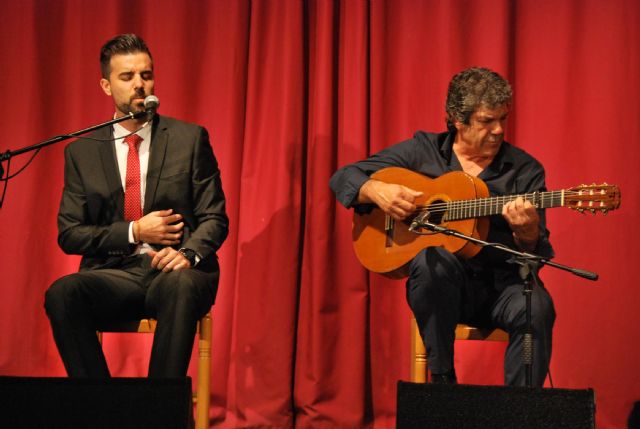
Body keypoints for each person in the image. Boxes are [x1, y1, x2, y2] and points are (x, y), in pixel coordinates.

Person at [330, 67, 555, 386]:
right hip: (442, 291)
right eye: (486, 121)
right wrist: (377, 191)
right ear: (456, 119)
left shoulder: (524, 170)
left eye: (502, 119)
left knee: (538, 308)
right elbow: (344, 177)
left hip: (504, 288)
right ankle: (443, 388)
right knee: (431, 260)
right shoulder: (422, 152)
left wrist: (527, 232)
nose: (498, 130)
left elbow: (538, 252)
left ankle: (521, 412)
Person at [44, 34, 228, 378]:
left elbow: (214, 218)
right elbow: (70, 234)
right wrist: (134, 231)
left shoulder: (189, 139)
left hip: (174, 272)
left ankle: (157, 414)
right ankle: (102, 411)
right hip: (114, 274)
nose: (140, 85)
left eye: (146, 75)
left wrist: (187, 254)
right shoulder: (82, 153)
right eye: (127, 77)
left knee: (182, 285)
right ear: (106, 85)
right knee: (62, 294)